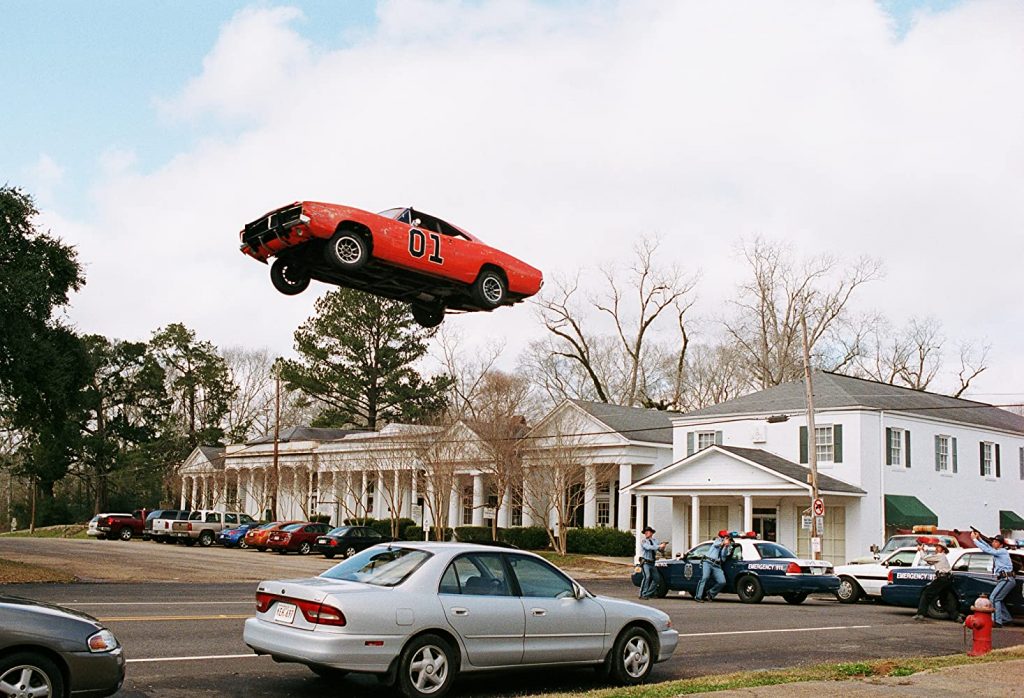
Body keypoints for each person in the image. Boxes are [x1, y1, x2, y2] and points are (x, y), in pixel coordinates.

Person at [972, 530, 1017, 628]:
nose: (993, 543)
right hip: (1005, 579)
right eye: (994, 541)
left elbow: (988, 550)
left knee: (994, 598)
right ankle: (1006, 619)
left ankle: (997, 621)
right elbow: (989, 547)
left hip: (1006, 578)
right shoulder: (999, 551)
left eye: (996, 542)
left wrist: (975, 540)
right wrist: (979, 538)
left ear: (1001, 545)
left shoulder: (1002, 551)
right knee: (998, 599)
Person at [912, 537, 955, 621]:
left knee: (927, 593)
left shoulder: (939, 556)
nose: (936, 548)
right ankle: (956, 616)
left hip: (942, 578)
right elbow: (930, 561)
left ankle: (920, 614)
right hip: (946, 578)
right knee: (945, 598)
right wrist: (923, 551)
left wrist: (921, 550)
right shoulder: (941, 556)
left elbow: (926, 558)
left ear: (943, 549)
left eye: (938, 547)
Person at [695, 530, 733, 602]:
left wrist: (726, 547)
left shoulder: (726, 545)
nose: (726, 539)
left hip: (717, 565)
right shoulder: (717, 541)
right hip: (708, 562)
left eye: (727, 538)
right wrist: (723, 543)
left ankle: (710, 593)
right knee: (705, 577)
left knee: (722, 581)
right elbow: (717, 545)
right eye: (725, 537)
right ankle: (698, 596)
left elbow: (723, 557)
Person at [638, 525, 667, 599]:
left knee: (657, 579)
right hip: (645, 562)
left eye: (648, 532)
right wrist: (659, 546)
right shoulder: (644, 541)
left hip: (652, 562)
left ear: (651, 533)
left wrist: (662, 547)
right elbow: (648, 547)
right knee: (647, 577)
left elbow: (660, 550)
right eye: (645, 532)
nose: (646, 533)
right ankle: (642, 594)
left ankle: (649, 593)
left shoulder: (655, 541)